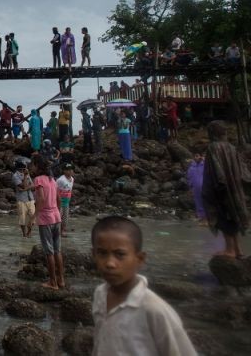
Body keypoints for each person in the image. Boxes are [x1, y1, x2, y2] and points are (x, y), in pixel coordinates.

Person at [91, 216, 197, 356]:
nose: (110, 263)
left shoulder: (154, 310)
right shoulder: (100, 294)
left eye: (120, 254)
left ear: (139, 259)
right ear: (93, 255)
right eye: (102, 253)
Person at [202, 120, 249, 259]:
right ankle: (238, 249)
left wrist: (219, 185)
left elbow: (216, 169)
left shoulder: (213, 148)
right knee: (234, 216)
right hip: (235, 187)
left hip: (221, 188)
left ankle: (230, 249)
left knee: (223, 217)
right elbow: (242, 170)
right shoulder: (231, 147)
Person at [33, 156, 64, 289]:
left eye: (32, 165)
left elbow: (41, 198)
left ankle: (52, 282)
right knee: (57, 250)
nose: (31, 167)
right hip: (56, 217)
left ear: (37, 166)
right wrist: (57, 211)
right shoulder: (53, 180)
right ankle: (61, 280)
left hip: (45, 219)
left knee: (49, 252)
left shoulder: (38, 179)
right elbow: (58, 199)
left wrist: (34, 216)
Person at [13, 161, 35, 237]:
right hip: (21, 200)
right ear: (19, 169)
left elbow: (32, 185)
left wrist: (25, 189)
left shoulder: (27, 174)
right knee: (22, 218)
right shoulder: (15, 176)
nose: (24, 171)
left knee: (33, 217)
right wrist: (25, 176)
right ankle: (24, 233)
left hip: (30, 198)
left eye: (24, 169)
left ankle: (29, 232)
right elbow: (24, 186)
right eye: (22, 169)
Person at [186, 152, 206, 224]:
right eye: (195, 156)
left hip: (205, 186)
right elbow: (189, 177)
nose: (197, 157)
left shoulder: (205, 165)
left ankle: (208, 217)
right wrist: (190, 187)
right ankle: (201, 217)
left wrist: (205, 160)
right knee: (198, 201)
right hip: (196, 187)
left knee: (206, 201)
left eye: (198, 156)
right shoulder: (191, 167)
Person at [57, 164, 75, 237]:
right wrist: (58, 200)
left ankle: (63, 231)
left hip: (67, 201)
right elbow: (55, 190)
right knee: (58, 217)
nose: (70, 171)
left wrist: (70, 198)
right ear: (64, 171)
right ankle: (57, 232)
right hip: (59, 201)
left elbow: (70, 190)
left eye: (71, 169)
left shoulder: (72, 179)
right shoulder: (60, 180)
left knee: (65, 218)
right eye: (68, 170)